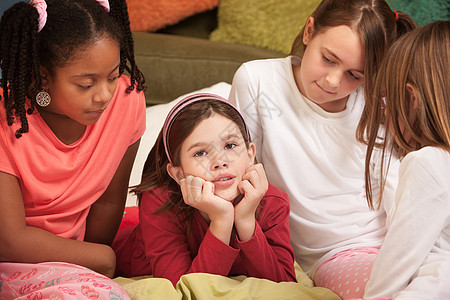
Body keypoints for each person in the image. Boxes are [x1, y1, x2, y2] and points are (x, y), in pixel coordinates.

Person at [228, 0, 417, 298]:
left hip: (406, 239)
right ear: (309, 31)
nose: (333, 81)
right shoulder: (259, 82)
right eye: (328, 59)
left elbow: (405, 182)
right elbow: (241, 173)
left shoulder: (377, 98)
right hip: (339, 253)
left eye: (355, 75)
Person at [0, 0, 146, 298]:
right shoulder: (6, 118)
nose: (104, 95)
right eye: (85, 84)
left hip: (76, 260)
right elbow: (9, 240)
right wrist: (100, 258)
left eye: (112, 76)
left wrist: (91, 261)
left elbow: (108, 202)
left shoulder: (127, 100)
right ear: (43, 77)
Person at [112, 93, 297, 286]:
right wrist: (221, 221)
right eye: (200, 153)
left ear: (250, 154)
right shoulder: (160, 201)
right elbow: (185, 291)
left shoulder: (273, 202)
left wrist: (246, 220)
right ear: (178, 174)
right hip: (123, 245)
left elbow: (284, 284)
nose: (220, 162)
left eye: (230, 145)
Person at [361, 21, 450, 299]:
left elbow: (398, 259)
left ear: (411, 97)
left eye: (389, 101)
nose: (385, 114)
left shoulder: (428, 162)